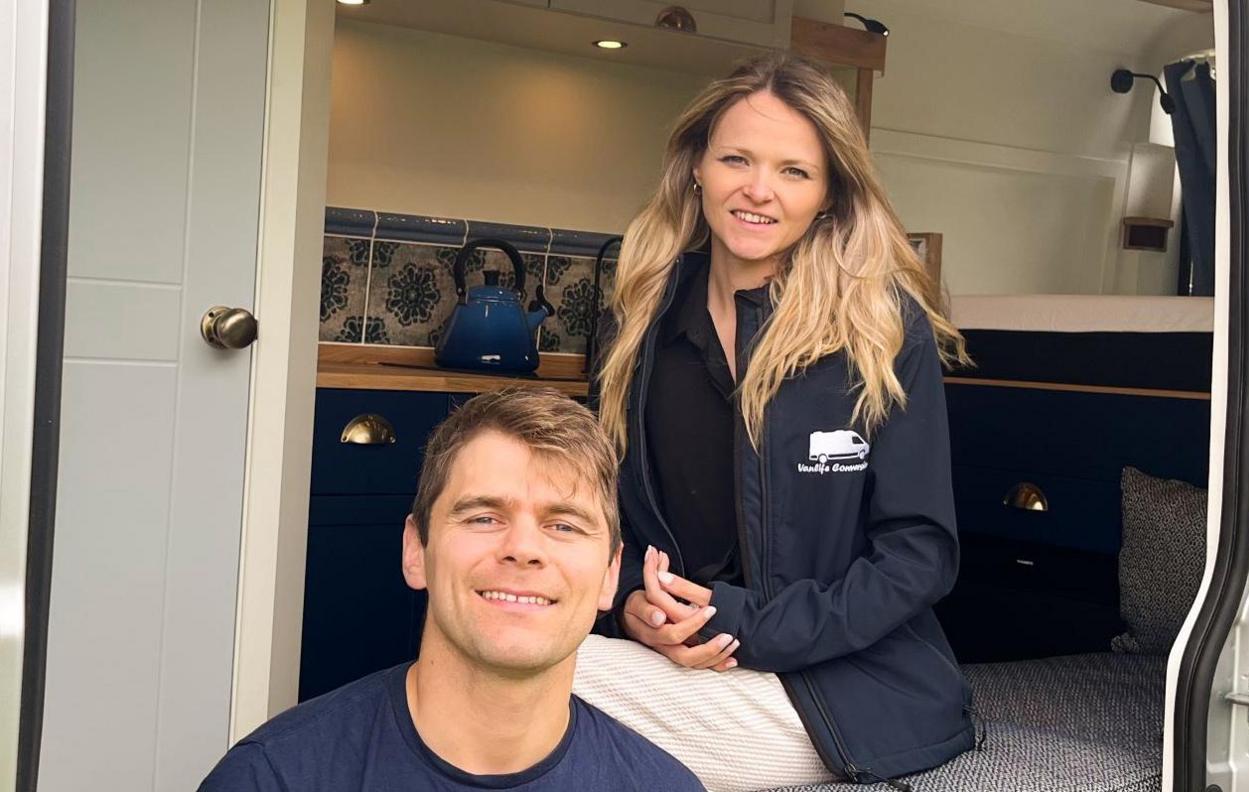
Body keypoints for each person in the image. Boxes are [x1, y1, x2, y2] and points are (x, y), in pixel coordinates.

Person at [574, 51, 977, 792]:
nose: (758, 190)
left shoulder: (884, 333)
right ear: (697, 168)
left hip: (846, 690)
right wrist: (633, 602)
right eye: (736, 158)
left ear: (829, 194)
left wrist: (743, 624)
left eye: (794, 171)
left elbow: (919, 555)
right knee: (507, 654)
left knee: (538, 685)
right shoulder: (640, 327)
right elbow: (601, 519)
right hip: (680, 664)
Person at [200, 388, 704, 791]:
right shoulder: (273, 777)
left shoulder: (666, 784)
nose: (523, 548)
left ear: (611, 575)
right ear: (416, 549)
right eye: (485, 517)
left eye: (564, 525)